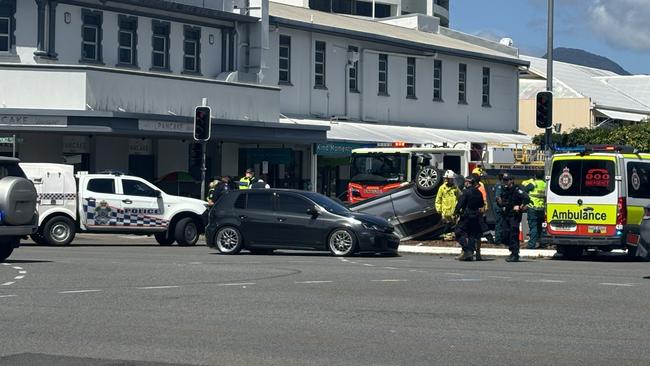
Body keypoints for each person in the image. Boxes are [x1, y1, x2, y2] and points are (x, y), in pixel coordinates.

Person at [497, 173, 530, 262]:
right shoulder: (504, 190)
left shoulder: (517, 189)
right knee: (504, 234)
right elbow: (502, 202)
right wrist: (499, 203)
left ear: (511, 180)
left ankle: (515, 253)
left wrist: (520, 206)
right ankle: (512, 249)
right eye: (504, 180)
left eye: (506, 180)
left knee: (513, 234)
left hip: (514, 215)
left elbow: (526, 198)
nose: (504, 182)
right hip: (506, 214)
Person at [453, 175, 485, 261]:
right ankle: (470, 254)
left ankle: (467, 250)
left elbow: (460, 204)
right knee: (472, 235)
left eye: (467, 181)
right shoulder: (479, 193)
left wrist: (455, 212)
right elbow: (481, 204)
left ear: (471, 183)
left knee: (458, 232)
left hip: (466, 216)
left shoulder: (466, 192)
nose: (465, 183)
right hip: (475, 216)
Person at [522, 172, 547, 249]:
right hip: (541, 209)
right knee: (540, 227)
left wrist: (531, 181)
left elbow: (524, 189)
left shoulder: (533, 184)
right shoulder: (545, 184)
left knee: (533, 227)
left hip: (533, 208)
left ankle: (531, 244)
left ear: (535, 176)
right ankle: (541, 243)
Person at [435, 170, 460, 240]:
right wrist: (439, 210)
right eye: (449, 179)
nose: (448, 180)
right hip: (445, 212)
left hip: (454, 212)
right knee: (447, 225)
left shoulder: (455, 188)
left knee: (455, 226)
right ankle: (446, 236)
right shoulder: (442, 188)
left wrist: (459, 209)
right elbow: (438, 200)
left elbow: (459, 197)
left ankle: (452, 236)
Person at [492, 172, 505, 245]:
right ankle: (498, 240)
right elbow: (498, 197)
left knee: (501, 223)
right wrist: (502, 206)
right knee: (499, 223)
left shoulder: (498, 184)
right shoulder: (500, 185)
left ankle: (500, 239)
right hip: (499, 207)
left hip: (498, 206)